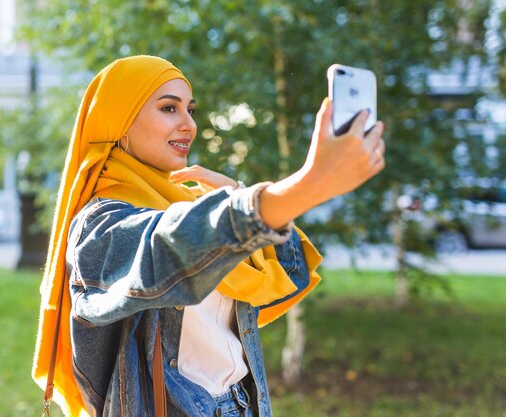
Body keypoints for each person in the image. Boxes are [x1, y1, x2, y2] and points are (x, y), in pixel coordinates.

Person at [32, 55, 385, 417]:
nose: (189, 124)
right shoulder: (99, 225)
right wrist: (303, 187)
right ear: (120, 122)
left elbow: (289, 274)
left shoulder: (193, 205)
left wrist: (237, 192)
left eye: (191, 110)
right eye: (169, 108)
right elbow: (168, 252)